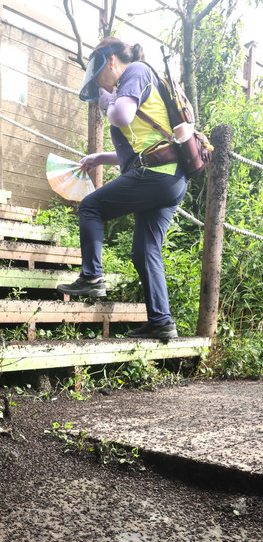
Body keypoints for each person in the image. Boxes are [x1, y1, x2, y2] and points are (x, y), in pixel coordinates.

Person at [57, 38, 188, 341]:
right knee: (145, 251)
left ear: (112, 61)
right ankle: (161, 322)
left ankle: (91, 277)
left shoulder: (137, 71)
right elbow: (140, 149)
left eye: (98, 75)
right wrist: (99, 157)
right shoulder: (136, 82)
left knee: (91, 206)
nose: (101, 85)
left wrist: (107, 101)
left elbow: (121, 116)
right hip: (170, 178)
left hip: (157, 175)